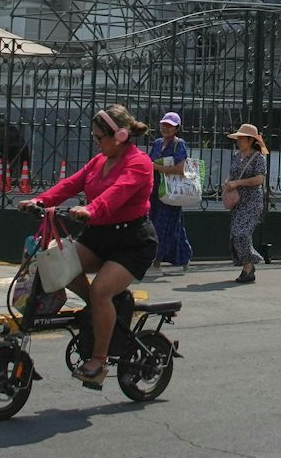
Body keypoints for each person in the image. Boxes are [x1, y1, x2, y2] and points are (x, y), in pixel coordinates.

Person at [19, 105, 157, 389]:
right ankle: (101, 311)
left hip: (131, 242)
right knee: (59, 265)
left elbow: (117, 193)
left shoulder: (139, 163)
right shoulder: (98, 162)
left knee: (100, 290)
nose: (95, 141)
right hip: (98, 236)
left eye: (99, 137)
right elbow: (72, 183)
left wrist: (91, 209)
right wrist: (41, 201)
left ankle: (99, 359)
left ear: (119, 135)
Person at [222, 122, 268, 284]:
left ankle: (249, 266)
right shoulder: (236, 156)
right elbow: (232, 175)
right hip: (238, 201)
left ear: (250, 140)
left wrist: (238, 183)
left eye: (242, 138)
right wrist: (228, 183)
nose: (239, 141)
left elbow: (259, 179)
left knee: (241, 234)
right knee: (236, 235)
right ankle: (248, 267)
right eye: (238, 138)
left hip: (252, 201)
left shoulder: (258, 157)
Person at [149, 112, 194, 272]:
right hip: (155, 191)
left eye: (170, 126)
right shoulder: (157, 143)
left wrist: (158, 167)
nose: (166, 128)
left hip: (172, 193)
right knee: (175, 227)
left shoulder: (179, 144)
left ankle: (156, 261)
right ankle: (184, 255)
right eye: (164, 125)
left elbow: (181, 169)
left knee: (162, 226)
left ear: (177, 128)